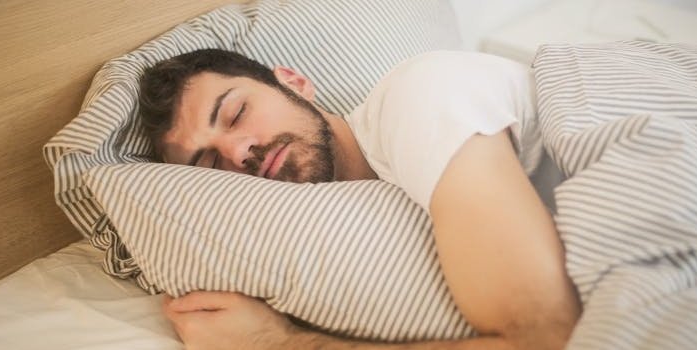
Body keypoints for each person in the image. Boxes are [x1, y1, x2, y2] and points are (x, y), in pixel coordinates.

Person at [139, 48, 581, 350]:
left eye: (236, 113)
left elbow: (549, 338)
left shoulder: (418, 99)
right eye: (212, 163)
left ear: (293, 82)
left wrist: (279, 343)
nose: (238, 153)